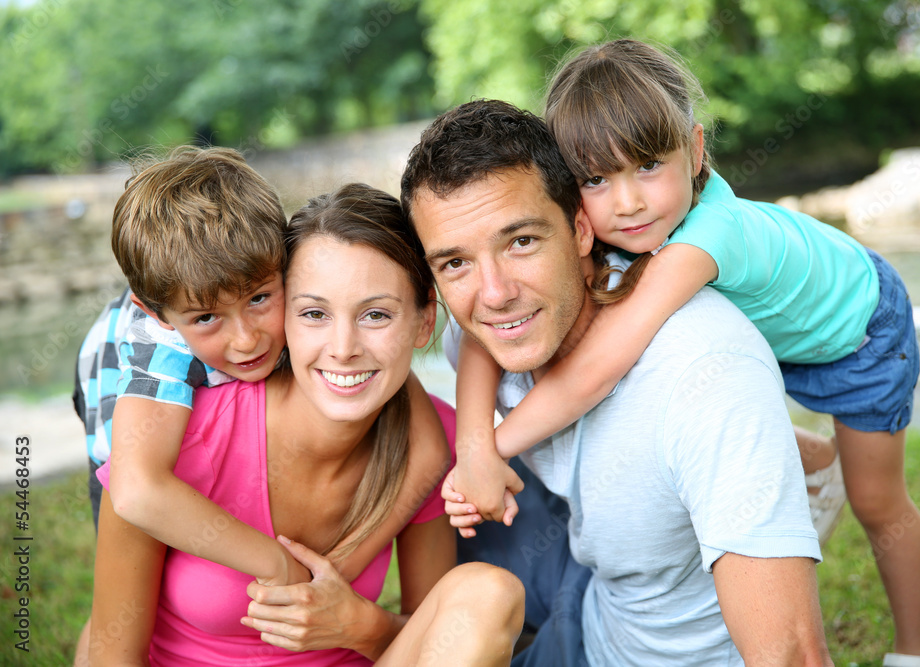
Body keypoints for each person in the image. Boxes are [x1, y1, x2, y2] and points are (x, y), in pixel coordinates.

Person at [445, 39, 920, 667]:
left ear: (695, 150)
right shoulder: (628, 231)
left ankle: (919, 650)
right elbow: (478, 338)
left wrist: (488, 452)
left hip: (858, 333)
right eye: (596, 179)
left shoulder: (706, 238)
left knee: (880, 502)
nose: (627, 202)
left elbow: (597, 371)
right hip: (775, 333)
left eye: (648, 167)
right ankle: (806, 458)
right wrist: (470, 444)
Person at [398, 98, 831, 665]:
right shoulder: (489, 328)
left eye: (521, 241)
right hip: (589, 581)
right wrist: (475, 446)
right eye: (455, 263)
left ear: (581, 229)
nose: (495, 293)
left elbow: (792, 655)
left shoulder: (706, 371)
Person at [89, 183, 525, 666]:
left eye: (376, 314)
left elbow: (427, 638)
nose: (343, 347)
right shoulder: (175, 444)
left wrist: (355, 622)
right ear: (288, 317)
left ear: (425, 322)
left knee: (488, 593)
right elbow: (111, 652)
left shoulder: (434, 441)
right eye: (314, 313)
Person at [74, 146, 450, 586]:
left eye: (259, 298)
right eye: (208, 317)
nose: (247, 339)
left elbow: (429, 449)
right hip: (110, 418)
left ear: (281, 264)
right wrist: (278, 566)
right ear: (158, 314)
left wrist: (345, 565)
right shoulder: (159, 345)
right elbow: (137, 491)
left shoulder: (268, 272)